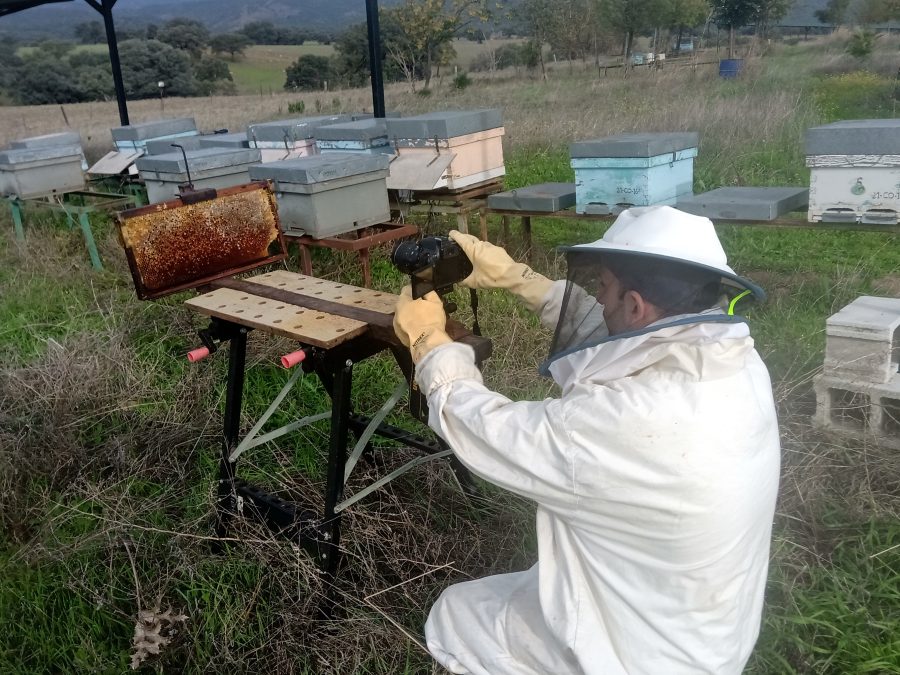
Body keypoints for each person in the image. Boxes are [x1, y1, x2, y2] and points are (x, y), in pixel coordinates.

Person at [392, 205, 781, 675]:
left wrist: (430, 345)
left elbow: (484, 429)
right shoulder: (736, 362)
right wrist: (519, 278)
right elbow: (627, 332)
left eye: (602, 288)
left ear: (635, 303)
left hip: (644, 657)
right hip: (702, 625)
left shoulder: (618, 423)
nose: (596, 299)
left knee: (455, 613)